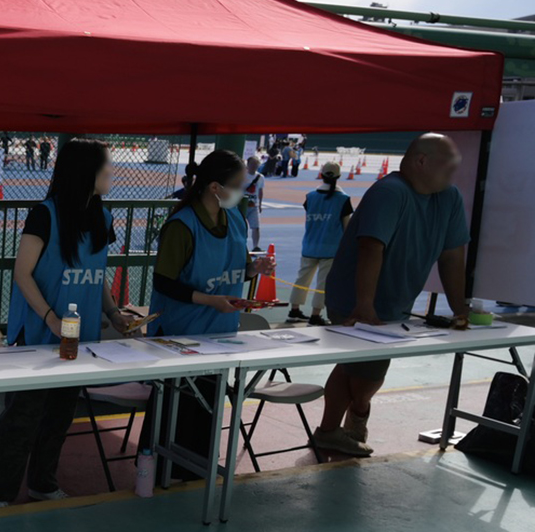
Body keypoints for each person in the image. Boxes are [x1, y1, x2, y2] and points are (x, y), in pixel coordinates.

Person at [0, 139, 132, 509]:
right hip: (36, 336)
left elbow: (96, 274)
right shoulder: (44, 215)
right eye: (105, 164)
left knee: (60, 416)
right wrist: (50, 318)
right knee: (22, 417)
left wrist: (114, 314)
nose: (111, 171)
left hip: (77, 338)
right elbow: (22, 273)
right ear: (85, 171)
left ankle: (42, 484)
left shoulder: (103, 218)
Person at [313, 134, 471, 457]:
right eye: (448, 164)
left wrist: (460, 309)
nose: (454, 171)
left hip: (395, 302)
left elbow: (453, 256)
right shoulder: (390, 192)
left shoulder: (449, 197)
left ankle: (341, 425)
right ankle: (344, 424)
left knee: (359, 368)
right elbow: (371, 247)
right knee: (362, 369)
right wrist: (364, 305)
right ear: (421, 161)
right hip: (355, 299)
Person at [148, 150, 274, 479]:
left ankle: (195, 470)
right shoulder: (182, 225)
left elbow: (237, 268)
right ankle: (163, 471)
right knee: (177, 407)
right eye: (237, 185)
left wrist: (255, 268)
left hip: (220, 332)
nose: (243, 191)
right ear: (215, 187)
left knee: (208, 406)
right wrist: (209, 300)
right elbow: (163, 282)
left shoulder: (235, 219)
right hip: (180, 334)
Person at [287, 162, 352, 326]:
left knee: (302, 279)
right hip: (331, 248)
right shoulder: (343, 199)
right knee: (323, 283)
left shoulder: (310, 197)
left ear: (321, 175)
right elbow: (347, 227)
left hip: (309, 245)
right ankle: (315, 315)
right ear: (338, 176)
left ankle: (294, 310)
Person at [243, 156, 264, 250]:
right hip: (242, 205)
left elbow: (260, 191)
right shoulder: (242, 176)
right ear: (247, 165)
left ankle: (256, 246)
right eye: (252, 164)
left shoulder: (260, 177)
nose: (254, 166)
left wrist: (260, 204)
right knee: (241, 227)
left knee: (256, 227)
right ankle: (242, 245)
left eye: (256, 164)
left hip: (254, 204)